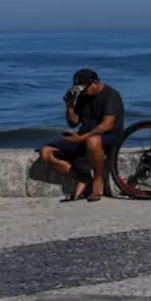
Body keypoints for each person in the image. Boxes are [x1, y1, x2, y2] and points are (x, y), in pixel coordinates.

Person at [38, 69, 124, 202]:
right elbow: (73, 123)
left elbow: (107, 124)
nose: (83, 92)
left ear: (95, 83)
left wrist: (81, 138)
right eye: (81, 89)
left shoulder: (111, 95)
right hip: (85, 136)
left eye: (85, 88)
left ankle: (98, 180)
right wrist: (69, 106)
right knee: (46, 152)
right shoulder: (83, 97)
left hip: (108, 136)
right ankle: (83, 178)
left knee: (92, 140)